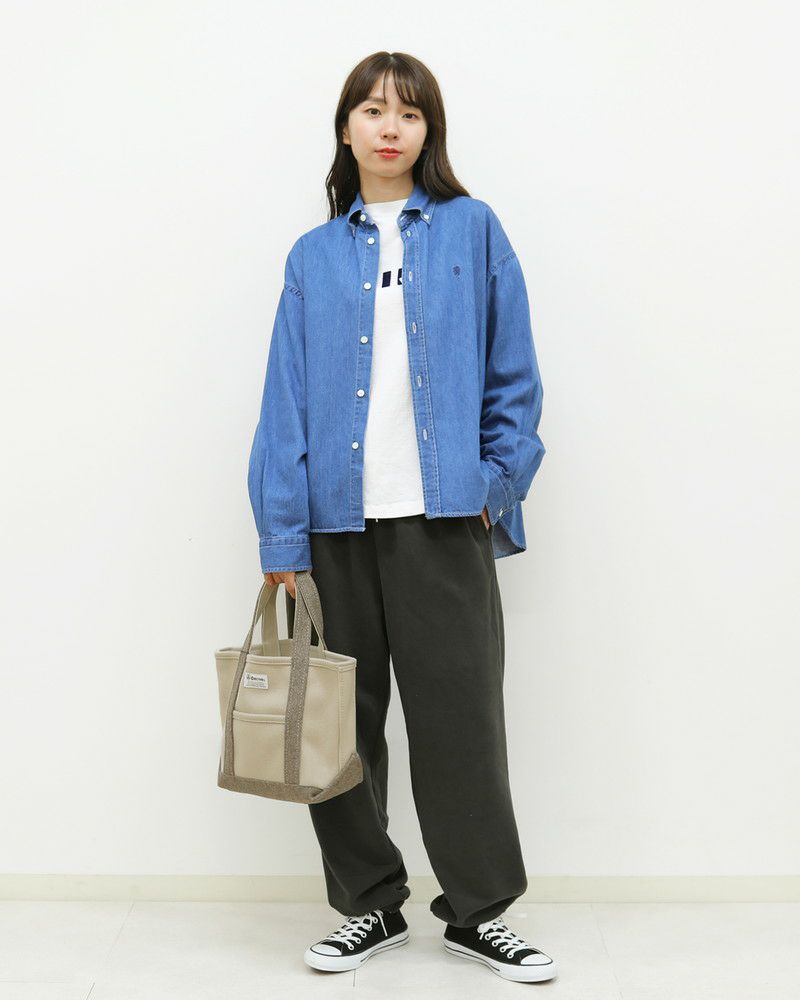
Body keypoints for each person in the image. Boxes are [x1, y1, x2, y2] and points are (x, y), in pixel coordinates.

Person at [247, 51, 555, 984]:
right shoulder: (312, 256)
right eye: (374, 110)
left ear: (430, 131)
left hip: (443, 519)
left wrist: (493, 485)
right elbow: (285, 402)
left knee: (462, 722)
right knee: (337, 728)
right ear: (346, 129)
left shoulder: (473, 229)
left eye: (410, 113)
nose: (391, 127)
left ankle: (478, 912)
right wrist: (282, 534)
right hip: (334, 526)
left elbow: (514, 377)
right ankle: (369, 907)